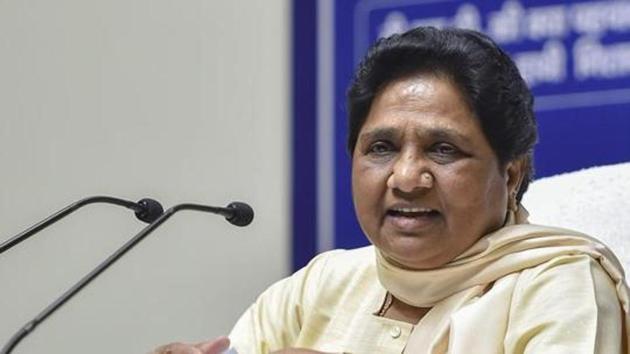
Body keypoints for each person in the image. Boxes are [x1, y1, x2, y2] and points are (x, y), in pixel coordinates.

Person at [153, 27, 630, 353]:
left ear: (509, 175)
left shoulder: (559, 285)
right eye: (381, 147)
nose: (405, 178)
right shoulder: (320, 285)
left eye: (443, 150)